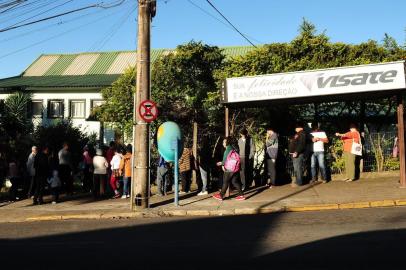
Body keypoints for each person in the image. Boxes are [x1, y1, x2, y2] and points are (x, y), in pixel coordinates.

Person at [212, 137, 245, 201]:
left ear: (227, 142)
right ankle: (241, 195)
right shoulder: (233, 147)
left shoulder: (228, 149)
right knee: (234, 182)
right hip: (235, 167)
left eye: (224, 142)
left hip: (229, 168)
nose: (223, 143)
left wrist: (222, 164)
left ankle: (221, 195)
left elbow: (225, 159)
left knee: (225, 182)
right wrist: (222, 163)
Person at [289, 123, 306, 187]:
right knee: (296, 168)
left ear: (300, 127)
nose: (295, 128)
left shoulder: (302, 133)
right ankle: (297, 181)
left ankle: (299, 182)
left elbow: (301, 144)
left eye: (296, 127)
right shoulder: (298, 134)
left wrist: (296, 152)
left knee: (298, 168)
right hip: (294, 153)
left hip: (298, 154)